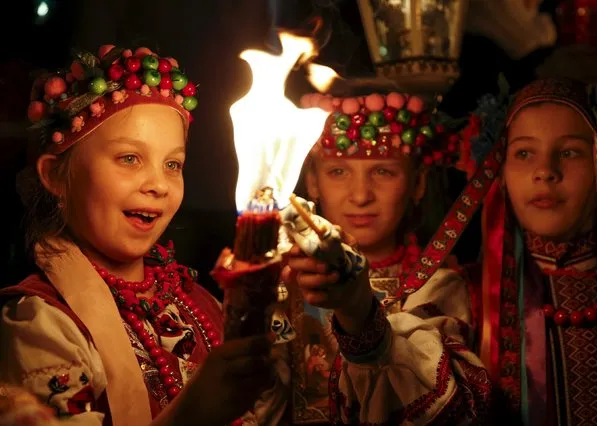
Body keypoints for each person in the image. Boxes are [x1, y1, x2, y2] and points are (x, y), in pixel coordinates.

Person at [0, 45, 279, 426]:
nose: (158, 185)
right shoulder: (41, 324)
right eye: (129, 159)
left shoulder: (198, 300)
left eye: (172, 164)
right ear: (54, 177)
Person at [401, 77, 597, 425]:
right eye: (524, 153)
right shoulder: (461, 301)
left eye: (570, 151)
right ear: (500, 171)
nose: (545, 172)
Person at [284, 92, 491, 424]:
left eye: (383, 171)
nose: (361, 195)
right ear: (312, 182)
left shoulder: (445, 288)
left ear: (417, 183)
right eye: (338, 171)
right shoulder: (279, 284)